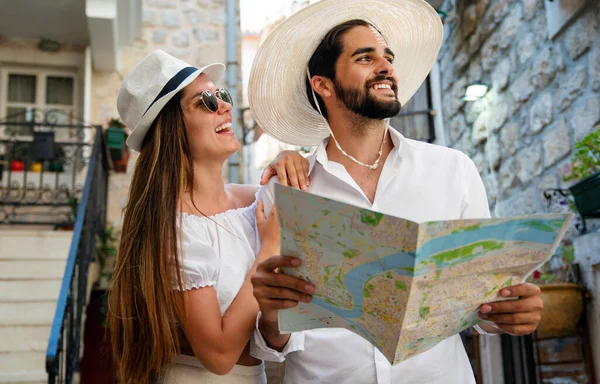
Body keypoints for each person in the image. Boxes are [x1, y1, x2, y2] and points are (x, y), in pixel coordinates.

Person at [247, 0, 544, 383]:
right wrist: (271, 316)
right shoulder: (283, 191)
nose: (386, 66)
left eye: (388, 57)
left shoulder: (453, 170)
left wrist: (509, 313)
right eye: (365, 58)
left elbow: (482, 305)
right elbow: (272, 340)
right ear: (323, 84)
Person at [108, 49, 310, 384]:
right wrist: (269, 246)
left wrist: (292, 158)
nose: (226, 106)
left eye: (222, 94)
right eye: (205, 101)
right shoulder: (174, 229)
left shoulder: (253, 201)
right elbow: (218, 355)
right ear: (172, 130)